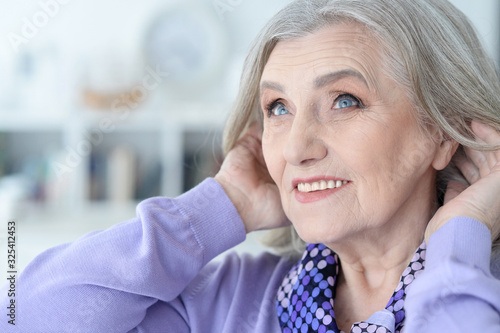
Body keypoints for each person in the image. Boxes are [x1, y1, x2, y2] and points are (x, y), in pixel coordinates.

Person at [2, 0, 500, 332]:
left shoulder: (481, 291)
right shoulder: (232, 301)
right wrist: (219, 206)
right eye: (278, 109)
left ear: (441, 132)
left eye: (344, 100)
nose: (295, 147)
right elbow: (23, 316)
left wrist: (458, 239)